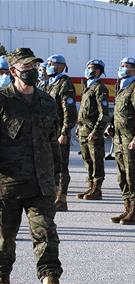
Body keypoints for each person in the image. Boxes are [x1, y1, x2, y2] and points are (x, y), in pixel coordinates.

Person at [0, 48, 75, 284]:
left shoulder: (47, 101)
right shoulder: (2, 101)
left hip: (40, 182)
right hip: (6, 185)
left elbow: (52, 141)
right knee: (4, 238)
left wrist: (56, 176)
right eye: (27, 66)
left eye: (35, 66)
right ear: (13, 71)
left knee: (46, 234)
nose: (32, 71)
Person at [109, 57, 135, 225]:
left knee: (132, 176)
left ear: (134, 70)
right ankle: (126, 208)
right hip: (118, 140)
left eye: (125, 66)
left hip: (130, 140)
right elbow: (119, 114)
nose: (121, 68)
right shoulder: (121, 88)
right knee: (122, 177)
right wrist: (111, 127)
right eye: (121, 65)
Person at [44, 54, 78, 212]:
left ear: (62, 66)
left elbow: (70, 112)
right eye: (49, 63)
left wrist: (65, 132)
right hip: (48, 132)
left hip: (59, 132)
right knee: (49, 166)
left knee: (61, 166)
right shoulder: (51, 83)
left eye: (52, 63)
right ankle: (53, 195)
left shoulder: (64, 84)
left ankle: (61, 199)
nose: (49, 65)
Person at [76, 59, 110, 200]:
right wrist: (79, 126)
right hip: (84, 129)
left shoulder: (100, 88)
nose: (89, 70)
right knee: (87, 160)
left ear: (98, 72)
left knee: (96, 160)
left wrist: (97, 131)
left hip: (92, 130)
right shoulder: (87, 86)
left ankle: (97, 189)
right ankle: (90, 186)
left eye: (92, 68)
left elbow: (104, 113)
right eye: (88, 67)